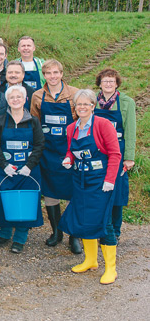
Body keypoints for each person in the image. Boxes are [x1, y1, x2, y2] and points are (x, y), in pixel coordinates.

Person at [60, 89, 122, 284]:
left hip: (100, 180)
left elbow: (115, 154)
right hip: (80, 180)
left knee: (104, 222)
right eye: (79, 104)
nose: (82, 107)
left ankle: (111, 268)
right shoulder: (72, 128)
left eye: (86, 104)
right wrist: (68, 159)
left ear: (93, 106)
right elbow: (71, 150)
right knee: (84, 219)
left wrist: (110, 180)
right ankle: (90, 260)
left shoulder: (103, 124)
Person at [30, 59, 80, 253]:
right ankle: (56, 232)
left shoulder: (74, 94)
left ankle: (73, 235)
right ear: (44, 75)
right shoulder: (37, 96)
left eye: (56, 72)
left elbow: (82, 121)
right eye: (48, 73)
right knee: (50, 191)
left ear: (61, 73)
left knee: (72, 192)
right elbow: (35, 123)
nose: (52, 76)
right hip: (48, 151)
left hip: (69, 150)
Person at [0, 85, 45, 253]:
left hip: (28, 171)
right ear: (8, 101)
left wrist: (29, 166)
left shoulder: (33, 121)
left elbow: (39, 145)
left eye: (19, 97)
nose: (15, 100)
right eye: (12, 97)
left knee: (25, 203)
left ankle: (20, 237)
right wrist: (4, 165)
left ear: (25, 99)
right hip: (6, 171)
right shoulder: (0, 121)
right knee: (4, 201)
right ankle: (5, 233)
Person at [94, 69, 136, 239]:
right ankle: (99, 228)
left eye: (112, 81)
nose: (108, 84)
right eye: (105, 81)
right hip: (97, 151)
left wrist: (129, 157)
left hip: (118, 151)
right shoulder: (92, 101)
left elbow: (130, 131)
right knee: (98, 190)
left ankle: (114, 232)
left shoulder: (126, 102)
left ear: (117, 83)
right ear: (100, 83)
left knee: (116, 191)